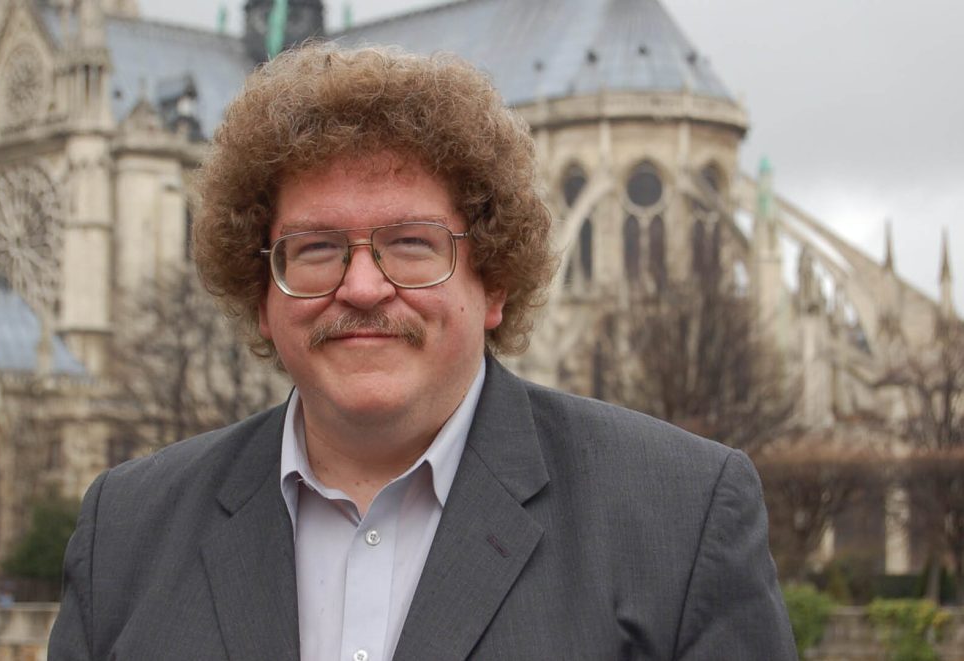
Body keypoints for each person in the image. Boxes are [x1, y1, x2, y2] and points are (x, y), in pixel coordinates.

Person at [49, 43, 797, 660]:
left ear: (494, 280)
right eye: (315, 249)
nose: (364, 286)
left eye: (412, 244)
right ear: (262, 294)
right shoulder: (127, 531)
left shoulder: (678, 514)